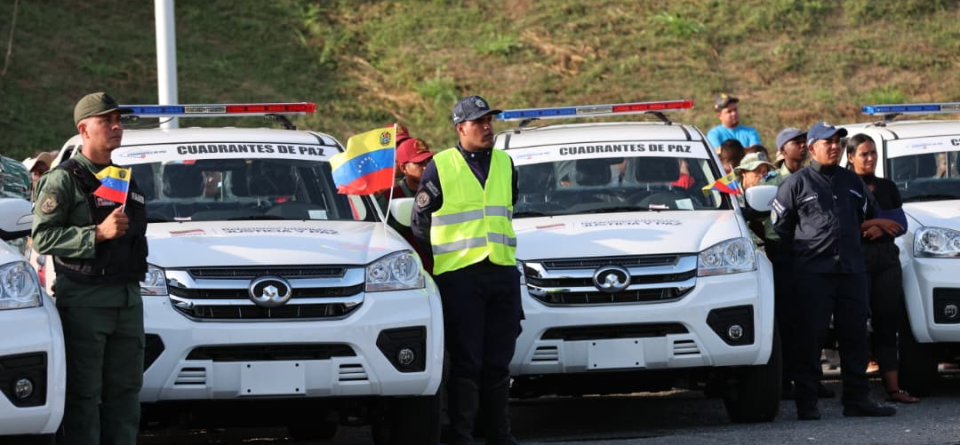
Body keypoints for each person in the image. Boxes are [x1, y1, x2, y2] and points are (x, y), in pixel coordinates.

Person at [31, 92, 148, 445]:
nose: (116, 127)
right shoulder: (63, 179)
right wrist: (97, 233)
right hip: (85, 301)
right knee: (83, 395)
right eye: (106, 121)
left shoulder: (123, 177)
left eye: (119, 120)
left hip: (127, 300)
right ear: (84, 129)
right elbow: (43, 238)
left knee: (126, 393)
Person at [411, 95, 522, 445]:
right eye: (479, 122)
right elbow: (419, 224)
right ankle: (463, 435)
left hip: (501, 272)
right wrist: (443, 261)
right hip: (460, 277)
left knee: (499, 362)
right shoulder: (441, 165)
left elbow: (508, 208)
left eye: (490, 120)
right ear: (461, 128)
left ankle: (499, 433)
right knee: (467, 362)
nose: (487, 127)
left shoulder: (505, 162)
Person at [772, 121, 896, 420]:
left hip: (852, 271)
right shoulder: (795, 184)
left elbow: (868, 215)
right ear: (812, 148)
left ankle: (857, 400)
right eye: (827, 142)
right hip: (813, 273)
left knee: (854, 337)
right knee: (810, 338)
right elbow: (780, 231)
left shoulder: (852, 182)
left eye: (838, 142)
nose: (834, 146)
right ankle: (807, 402)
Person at [846, 134, 919, 404]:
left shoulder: (887, 187)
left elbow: (900, 223)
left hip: (887, 259)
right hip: (857, 259)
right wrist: (873, 223)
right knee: (855, 322)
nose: (870, 158)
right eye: (864, 154)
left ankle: (893, 389)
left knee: (888, 320)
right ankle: (857, 390)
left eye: (873, 153)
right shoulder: (844, 185)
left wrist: (877, 225)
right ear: (851, 157)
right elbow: (839, 225)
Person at [378, 136, 435, 273]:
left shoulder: (439, 191)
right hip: (407, 271)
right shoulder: (389, 197)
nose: (426, 166)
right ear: (404, 168)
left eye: (428, 160)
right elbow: (380, 236)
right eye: (419, 163)